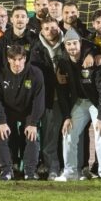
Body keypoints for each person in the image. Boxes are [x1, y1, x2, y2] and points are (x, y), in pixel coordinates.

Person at [57, 29, 101, 182]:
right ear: (65, 45)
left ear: (80, 43)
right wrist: (67, 116)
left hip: (97, 103)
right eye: (68, 44)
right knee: (68, 133)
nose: (72, 47)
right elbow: (62, 92)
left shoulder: (93, 59)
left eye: (74, 43)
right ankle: (70, 172)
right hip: (80, 102)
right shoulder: (63, 62)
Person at [0, 45, 46, 181]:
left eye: (20, 59)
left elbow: (39, 100)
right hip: (8, 111)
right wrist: (1, 121)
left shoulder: (36, 73)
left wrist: (33, 123)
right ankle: (6, 171)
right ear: (8, 59)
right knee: (2, 134)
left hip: (28, 111)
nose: (17, 63)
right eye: (13, 59)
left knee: (32, 135)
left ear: (25, 59)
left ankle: (30, 171)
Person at [28, 15, 67, 180]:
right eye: (46, 28)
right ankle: (48, 167)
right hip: (46, 98)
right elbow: (36, 75)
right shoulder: (36, 48)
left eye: (53, 27)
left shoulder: (68, 43)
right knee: (47, 135)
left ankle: (62, 167)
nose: (50, 31)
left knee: (62, 136)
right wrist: (55, 78)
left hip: (66, 98)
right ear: (41, 31)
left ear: (58, 27)